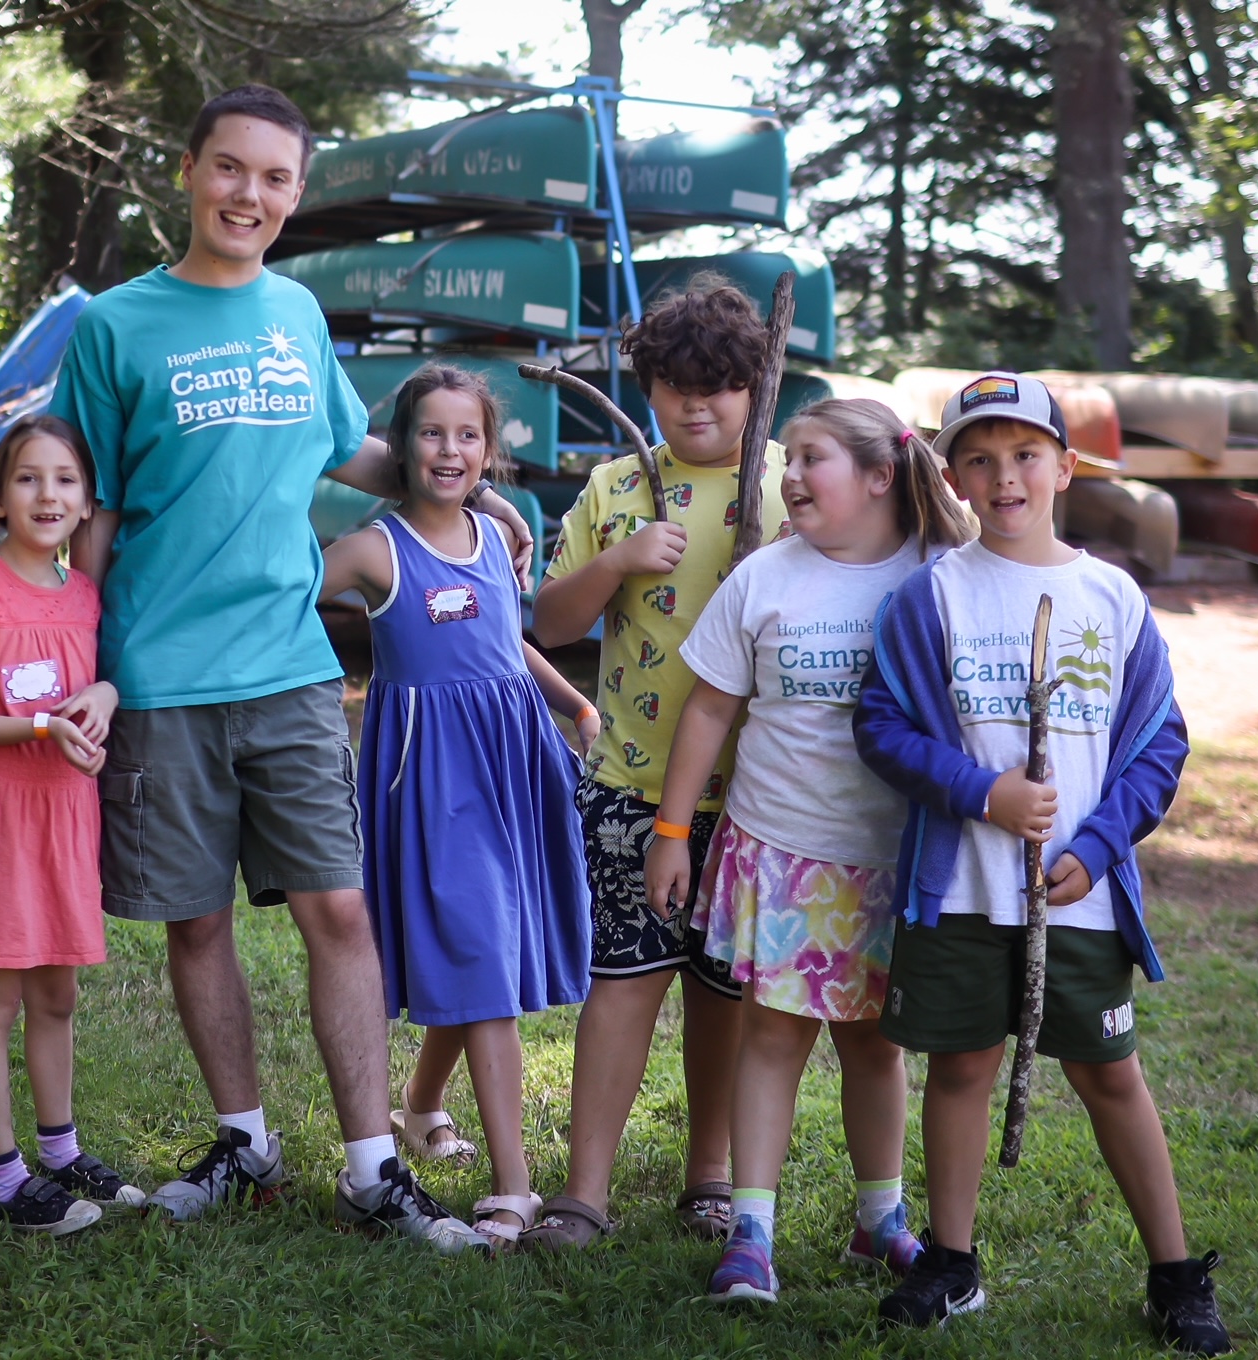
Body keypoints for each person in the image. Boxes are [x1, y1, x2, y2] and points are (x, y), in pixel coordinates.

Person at [53, 83, 535, 1250]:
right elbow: (85, 514)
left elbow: (353, 449)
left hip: (290, 667)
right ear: (188, 171)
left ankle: (374, 1166)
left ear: (295, 193)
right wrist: (84, 659)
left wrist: (468, 495)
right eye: (230, 168)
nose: (249, 194)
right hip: (162, 677)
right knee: (197, 919)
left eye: (274, 178)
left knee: (338, 907)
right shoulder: (115, 326)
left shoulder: (297, 315)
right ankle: (245, 1140)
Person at [853, 372, 1230, 1353]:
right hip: (962, 892)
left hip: (1081, 898)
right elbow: (882, 726)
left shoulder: (1113, 598)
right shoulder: (929, 597)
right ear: (954, 474)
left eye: (1026, 453)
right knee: (962, 1063)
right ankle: (953, 1259)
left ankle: (1176, 1273)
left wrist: (1099, 844)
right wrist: (984, 793)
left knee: (1111, 1072)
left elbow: (1157, 744)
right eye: (979, 456)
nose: (1004, 474)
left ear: (1066, 465)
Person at [643, 398, 972, 1301]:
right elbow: (709, 706)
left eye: (812, 458)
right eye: (789, 460)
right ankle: (751, 1232)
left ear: (880, 476)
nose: (789, 476)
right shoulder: (765, 577)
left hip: (895, 859)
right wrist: (672, 833)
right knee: (776, 1038)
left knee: (875, 1046)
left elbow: (992, 543)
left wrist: (935, 477)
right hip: (783, 848)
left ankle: (882, 1222)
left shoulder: (939, 572)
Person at [521, 275, 789, 1250]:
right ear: (649, 388)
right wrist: (620, 560)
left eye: (719, 384)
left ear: (755, 388)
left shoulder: (782, 482)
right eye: (677, 383)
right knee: (623, 983)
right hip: (631, 787)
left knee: (723, 994)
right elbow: (549, 622)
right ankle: (585, 1187)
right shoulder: (617, 489)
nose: (697, 403)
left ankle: (709, 1175)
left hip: (758, 801)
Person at [319, 365, 599, 1251]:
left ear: (490, 448)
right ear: (401, 447)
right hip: (432, 779)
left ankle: (422, 1104)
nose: (449, 450)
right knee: (479, 949)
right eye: (430, 434)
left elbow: (505, 644)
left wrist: (577, 706)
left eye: (467, 435)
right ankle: (516, 1185)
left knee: (485, 949)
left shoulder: (496, 536)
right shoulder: (375, 548)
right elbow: (281, 604)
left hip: (514, 764)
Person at [0, 416, 147, 1234]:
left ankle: (61, 1152)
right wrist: (42, 728)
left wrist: (104, 699)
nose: (46, 494)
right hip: (0, 814)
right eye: (27, 478)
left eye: (64, 480)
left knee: (57, 992)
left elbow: (102, 687)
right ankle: (6, 1179)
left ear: (88, 504)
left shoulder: (87, 596)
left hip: (67, 817)